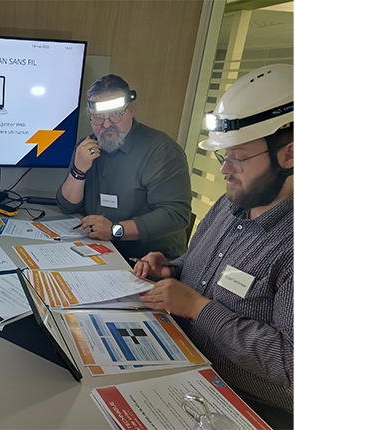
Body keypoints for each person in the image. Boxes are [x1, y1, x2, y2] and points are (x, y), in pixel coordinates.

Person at [133, 64, 294, 429]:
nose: (225, 170)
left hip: (244, 404)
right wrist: (173, 269)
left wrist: (198, 308)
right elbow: (202, 266)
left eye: (237, 158)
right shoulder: (231, 202)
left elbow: (291, 364)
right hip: (180, 359)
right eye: (224, 157)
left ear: (290, 155)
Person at [56, 74, 191, 261]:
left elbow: (175, 214)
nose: (107, 124)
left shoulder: (161, 150)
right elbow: (67, 206)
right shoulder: (87, 147)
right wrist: (79, 169)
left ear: (131, 109)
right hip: (96, 250)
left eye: (115, 114)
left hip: (147, 261)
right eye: (98, 117)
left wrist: (115, 230)